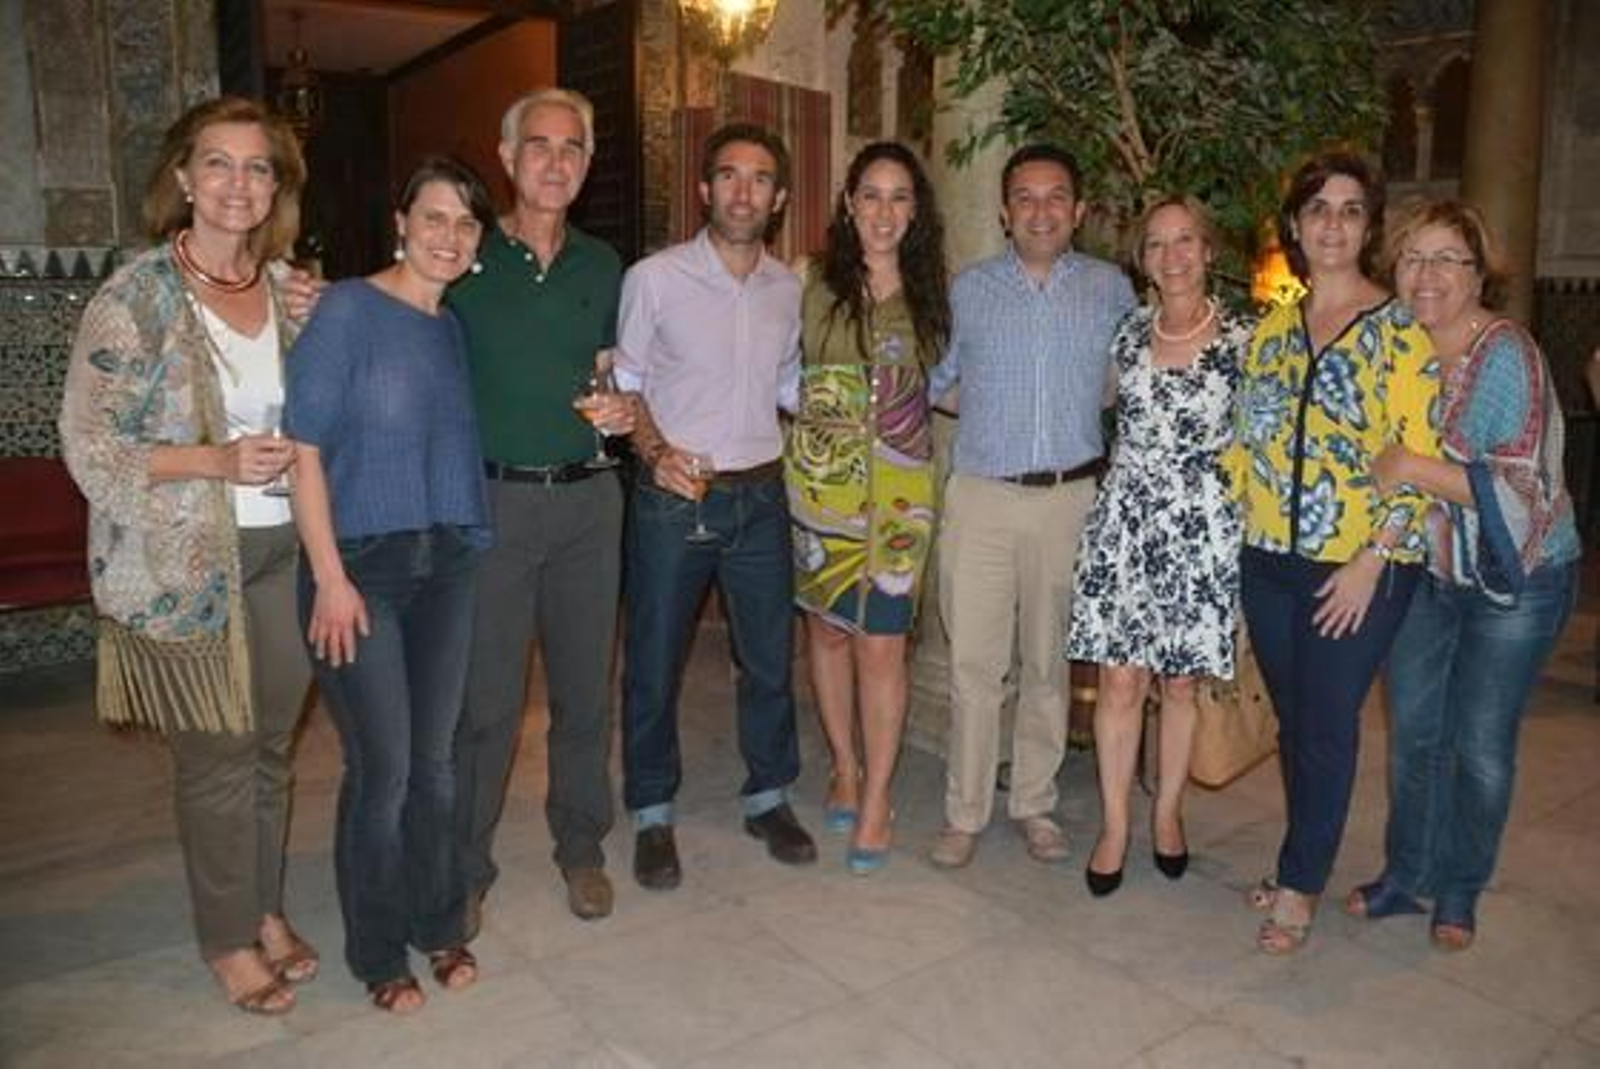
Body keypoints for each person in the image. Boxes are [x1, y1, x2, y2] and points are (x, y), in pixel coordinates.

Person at [58, 96, 317, 1015]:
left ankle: (265, 903)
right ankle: (227, 936)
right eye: (218, 163)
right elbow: (90, 447)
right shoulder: (135, 297)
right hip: (184, 566)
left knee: (273, 751)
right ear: (182, 177)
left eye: (258, 167)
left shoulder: (288, 288)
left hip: (285, 550)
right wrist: (213, 459)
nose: (237, 184)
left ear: (276, 187)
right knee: (216, 754)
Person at [285, 157, 493, 1014]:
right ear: (401, 221)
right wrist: (330, 578)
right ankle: (377, 950)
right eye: (434, 217)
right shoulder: (345, 310)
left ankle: (439, 918)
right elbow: (302, 450)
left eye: (467, 224)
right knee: (387, 768)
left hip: (444, 560)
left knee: (438, 765)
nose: (449, 236)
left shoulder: (448, 327)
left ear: (479, 241)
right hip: (359, 568)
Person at [1344, 199, 1580, 951]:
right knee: (1414, 733)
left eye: (1449, 258)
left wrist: (1411, 465)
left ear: (1481, 273)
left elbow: (1521, 486)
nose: (1429, 274)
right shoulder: (1396, 351)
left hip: (1519, 579)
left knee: (1479, 743)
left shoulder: (1506, 352)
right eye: (1414, 256)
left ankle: (1459, 885)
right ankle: (1406, 871)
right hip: (1427, 570)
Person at [1232, 152, 1439, 954]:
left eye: (1351, 210)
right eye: (1318, 207)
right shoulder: (1274, 328)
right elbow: (1250, 445)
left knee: (1325, 725)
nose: (1332, 223)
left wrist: (1368, 561)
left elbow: (1420, 457)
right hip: (1268, 560)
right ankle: (1297, 855)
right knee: (1295, 722)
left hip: (1362, 563)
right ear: (1295, 224)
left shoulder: (1398, 332)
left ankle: (1301, 885)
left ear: (1368, 227)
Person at [448, 88, 631, 930]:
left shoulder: (605, 266)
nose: (556, 161)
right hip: (494, 503)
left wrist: (626, 413)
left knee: (586, 693)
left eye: (573, 149)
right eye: (540, 145)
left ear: (587, 165)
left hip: (591, 502)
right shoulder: (463, 257)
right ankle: (465, 863)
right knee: (485, 702)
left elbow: (610, 371)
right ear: (507, 154)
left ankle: (582, 845)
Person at [616, 122, 817, 890]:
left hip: (762, 494)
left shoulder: (787, 289)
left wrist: (838, 406)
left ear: (779, 198)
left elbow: (788, 386)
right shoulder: (655, 278)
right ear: (704, 190)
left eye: (759, 179)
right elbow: (626, 387)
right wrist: (658, 453)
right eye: (728, 176)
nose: (743, 191)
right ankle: (652, 809)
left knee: (768, 659)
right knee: (655, 660)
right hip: (676, 498)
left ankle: (769, 795)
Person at [926, 144, 1136, 871]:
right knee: (976, 666)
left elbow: (1120, 384)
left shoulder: (1111, 289)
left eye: (1056, 197)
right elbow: (938, 382)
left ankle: (1035, 804)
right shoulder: (971, 289)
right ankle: (965, 811)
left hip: (1071, 500)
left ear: (1077, 211)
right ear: (1004, 211)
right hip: (981, 496)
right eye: (1025, 197)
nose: (1040, 210)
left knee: (1048, 664)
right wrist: (996, 419)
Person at [1066, 195, 1254, 896]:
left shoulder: (1245, 338)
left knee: (1179, 681)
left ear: (1209, 251)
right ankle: (1115, 824)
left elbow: (1261, 442)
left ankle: (1168, 811)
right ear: (1142, 259)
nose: (1171, 256)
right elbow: (1094, 406)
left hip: (1203, 526)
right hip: (1127, 518)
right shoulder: (1126, 332)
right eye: (1156, 244)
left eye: (1185, 241)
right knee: (1120, 680)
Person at [785, 141, 950, 874]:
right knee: (827, 636)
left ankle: (878, 794)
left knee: (883, 643)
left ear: (916, 212)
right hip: (822, 484)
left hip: (902, 494)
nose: (885, 211)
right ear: (849, 203)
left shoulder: (936, 293)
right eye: (872, 195)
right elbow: (778, 374)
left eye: (900, 197)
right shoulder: (809, 281)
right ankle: (844, 765)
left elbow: (948, 385)